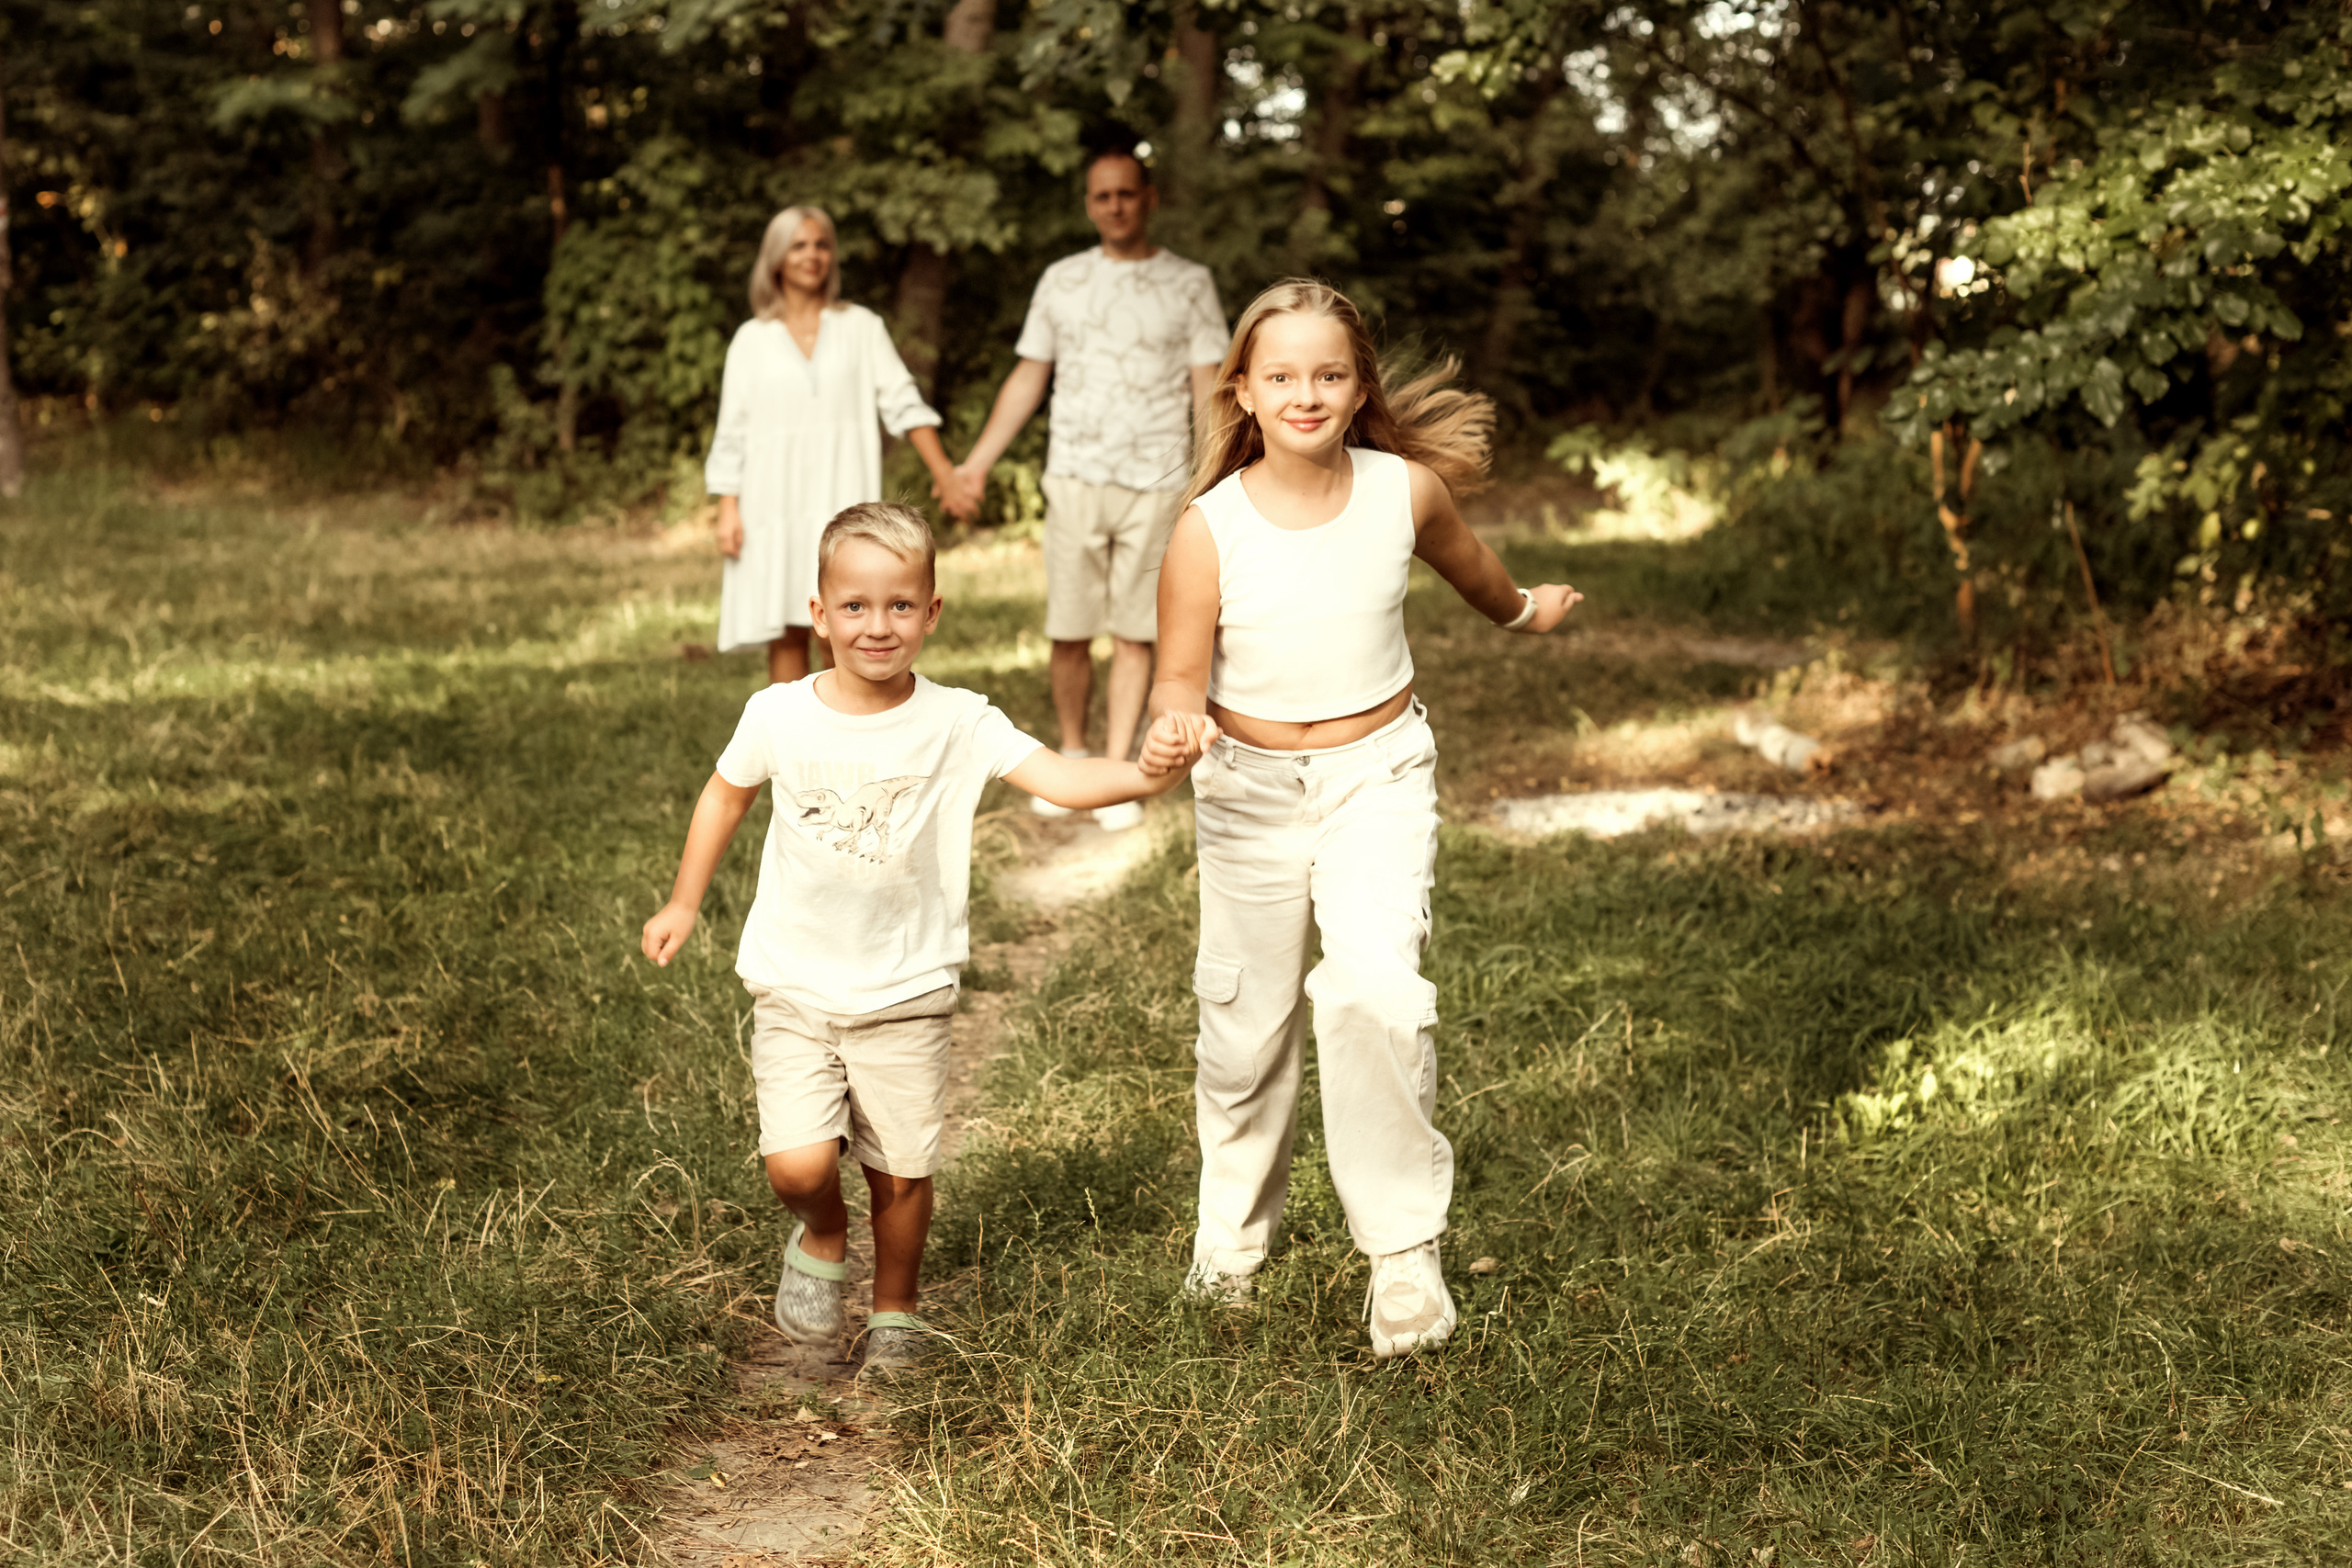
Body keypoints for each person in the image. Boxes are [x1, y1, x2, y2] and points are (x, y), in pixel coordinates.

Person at [642, 502, 1208, 1377]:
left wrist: (1143, 772)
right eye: (858, 606)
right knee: (797, 1164)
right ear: (820, 613)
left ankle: (896, 1310)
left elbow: (1056, 774)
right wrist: (685, 901)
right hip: (795, 983)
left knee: (901, 1172)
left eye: (901, 605)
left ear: (933, 611)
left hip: (906, 986)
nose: (880, 625)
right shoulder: (777, 713)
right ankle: (824, 1233)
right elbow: (724, 796)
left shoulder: (958, 721)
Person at [1137, 279, 1583, 1359]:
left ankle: (1403, 1264)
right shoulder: (1209, 530)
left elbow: (1482, 580)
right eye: (1279, 375)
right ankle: (1230, 1247)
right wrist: (1171, 730)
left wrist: (1530, 613)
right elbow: (1177, 681)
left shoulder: (1404, 492)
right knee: (1245, 1029)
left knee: (1374, 988)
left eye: (1328, 374)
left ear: (1358, 385)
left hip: (1376, 776)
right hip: (1247, 793)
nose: (1305, 393)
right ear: (1240, 390)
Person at [945, 147, 1227, 829]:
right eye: (1102, 196)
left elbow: (1207, 387)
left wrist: (1213, 473)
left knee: (1137, 632)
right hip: (1073, 474)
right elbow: (1027, 378)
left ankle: (1118, 768)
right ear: (1088, 204)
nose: (1115, 206)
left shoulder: (1188, 283)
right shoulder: (1062, 281)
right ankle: (1071, 756)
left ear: (1148, 198)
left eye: (1127, 194)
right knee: (1069, 629)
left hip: (1156, 482)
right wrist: (976, 463)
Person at [706, 207, 967, 686]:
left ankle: (850, 736)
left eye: (822, 245)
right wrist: (728, 506)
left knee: (842, 627)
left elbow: (904, 403)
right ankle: (789, 755)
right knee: (786, 628)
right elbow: (732, 430)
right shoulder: (751, 339)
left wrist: (945, 472)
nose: (813, 255)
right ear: (777, 258)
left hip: (841, 497)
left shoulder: (860, 327)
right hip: (772, 503)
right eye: (800, 245)